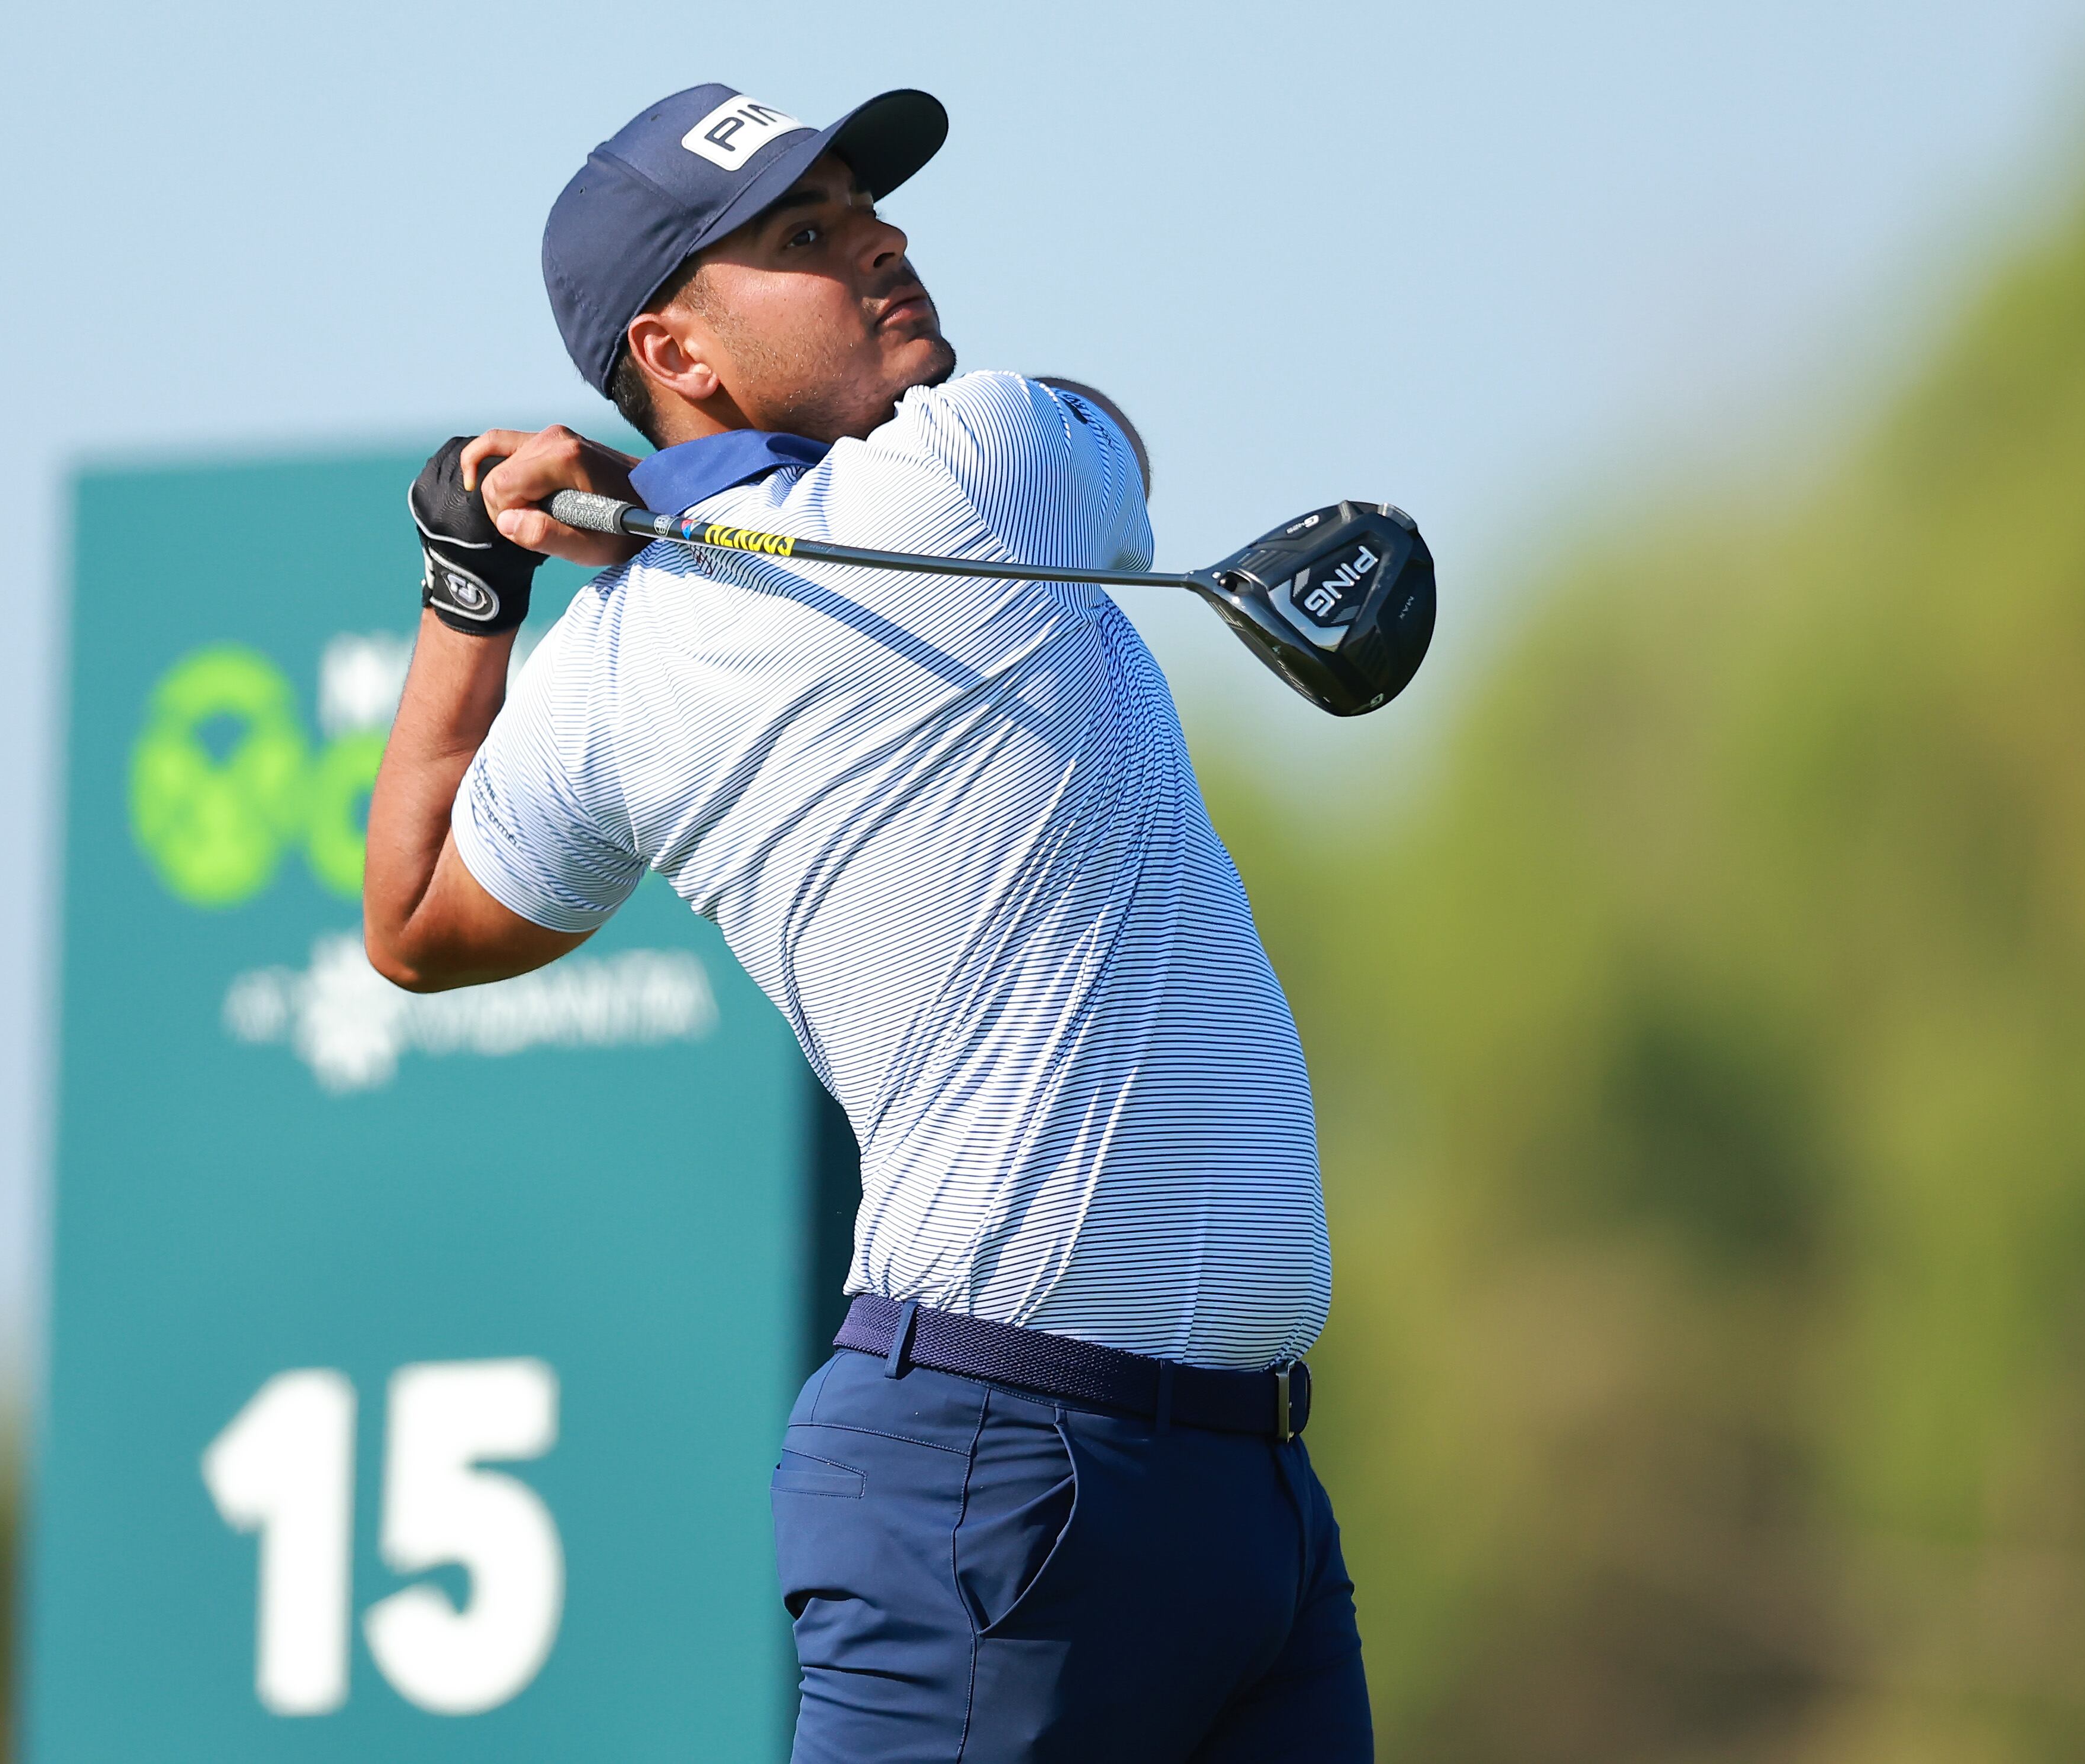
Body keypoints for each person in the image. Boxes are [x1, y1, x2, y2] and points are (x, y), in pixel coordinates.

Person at [360, 84, 1370, 1763]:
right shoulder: (985, 466)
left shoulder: (610, 669)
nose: (883, 246)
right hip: (1004, 1477)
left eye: (869, 213)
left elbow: (407, 919)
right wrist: (663, 510)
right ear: (674, 349)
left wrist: (473, 582)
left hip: (1240, 1490)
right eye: (808, 237)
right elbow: (1105, 428)